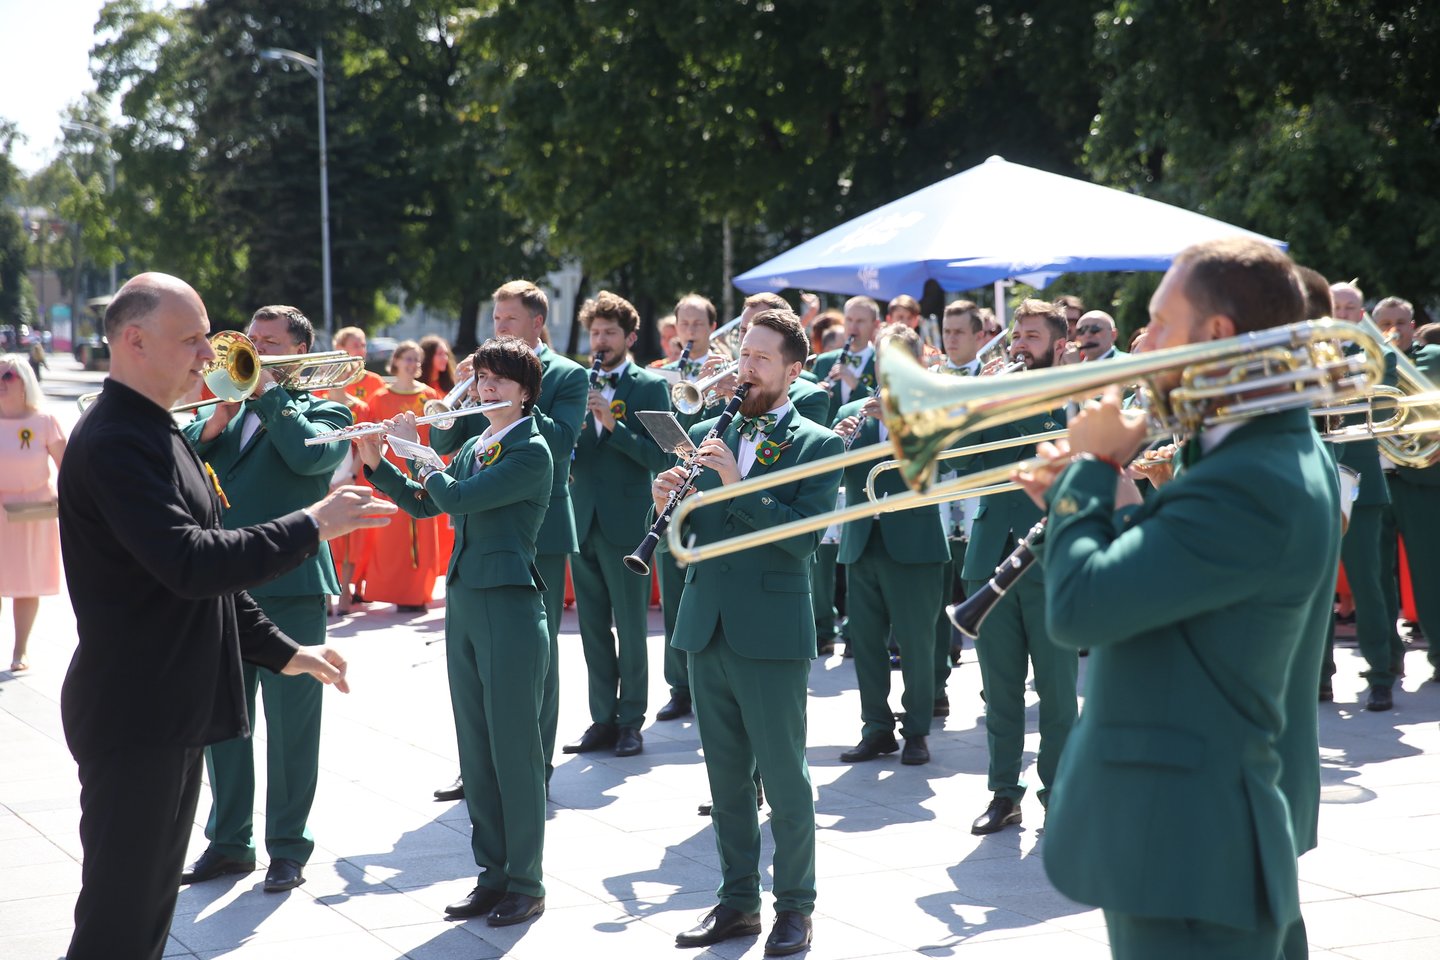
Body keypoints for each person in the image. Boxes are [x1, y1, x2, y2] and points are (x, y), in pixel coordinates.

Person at [58, 273, 393, 960]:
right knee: (117, 926)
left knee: (145, 917)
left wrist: (286, 650)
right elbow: (190, 562)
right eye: (191, 339)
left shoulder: (155, 428)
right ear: (134, 340)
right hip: (136, 713)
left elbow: (207, 585)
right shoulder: (121, 438)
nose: (208, 355)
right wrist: (312, 523)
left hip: (167, 707)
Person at [1021, 238, 1340, 959]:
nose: (1144, 345)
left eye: (1162, 323)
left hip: (1190, 840)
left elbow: (1080, 610)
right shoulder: (1259, 449)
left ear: (1219, 335)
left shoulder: (1256, 472)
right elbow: (1197, 579)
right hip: (1191, 827)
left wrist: (1093, 475)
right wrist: (1090, 502)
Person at [657, 308, 842, 957]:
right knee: (726, 780)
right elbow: (699, 539)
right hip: (707, 626)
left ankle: (796, 906)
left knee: (785, 779)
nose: (747, 370)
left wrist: (739, 484)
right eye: (745, 357)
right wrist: (669, 507)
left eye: (762, 360)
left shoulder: (820, 443)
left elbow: (798, 541)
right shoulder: (710, 430)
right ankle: (737, 901)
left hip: (771, 630)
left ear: (794, 370)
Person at [358, 337, 552, 928]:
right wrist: (378, 463)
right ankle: (492, 874)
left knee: (514, 750)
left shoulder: (532, 450)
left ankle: (527, 880)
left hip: (511, 606)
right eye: (482, 377)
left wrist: (416, 451)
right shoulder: (475, 444)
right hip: (468, 601)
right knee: (476, 747)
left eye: (500, 380)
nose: (486, 387)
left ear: (525, 392)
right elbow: (426, 505)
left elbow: (458, 495)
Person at [178, 305, 353, 893]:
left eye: (269, 344)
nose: (253, 352)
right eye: (251, 342)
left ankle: (287, 846)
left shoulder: (328, 409)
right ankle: (228, 843)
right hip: (224, 583)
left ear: (299, 354)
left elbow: (312, 457)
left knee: (293, 727)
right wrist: (219, 415)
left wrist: (272, 394)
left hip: (294, 585)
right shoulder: (222, 408)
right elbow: (178, 459)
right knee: (224, 722)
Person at [430, 279, 588, 800]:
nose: (498, 327)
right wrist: (467, 396)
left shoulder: (567, 375)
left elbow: (559, 442)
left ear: (537, 324)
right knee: (480, 666)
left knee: (534, 657)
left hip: (534, 522)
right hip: (483, 521)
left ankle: (533, 763)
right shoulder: (484, 380)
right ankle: (481, 765)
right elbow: (449, 441)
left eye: (508, 320)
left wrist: (507, 400)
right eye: (495, 319)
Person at [960, 298, 1076, 835]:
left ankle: (1061, 794)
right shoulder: (994, 392)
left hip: (1051, 557)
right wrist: (977, 406)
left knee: (1056, 692)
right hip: (990, 556)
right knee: (998, 690)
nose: (1019, 345)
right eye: (1017, 335)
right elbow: (963, 462)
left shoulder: (1075, 393)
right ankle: (1004, 793)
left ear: (1057, 342)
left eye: (1031, 336)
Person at [832, 326, 948, 765]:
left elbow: (932, 466)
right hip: (863, 540)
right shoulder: (853, 408)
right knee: (865, 642)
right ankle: (876, 729)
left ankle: (917, 730)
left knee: (917, 643)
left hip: (913, 543)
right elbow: (835, 474)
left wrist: (895, 422)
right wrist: (836, 445)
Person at [563, 291, 671, 758]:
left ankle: (631, 721)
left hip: (626, 521)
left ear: (630, 337)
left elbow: (664, 454)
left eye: (610, 333)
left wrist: (613, 426)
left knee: (630, 625)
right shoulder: (574, 382)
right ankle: (601, 718)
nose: (600, 341)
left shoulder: (649, 386)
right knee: (590, 627)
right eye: (594, 333)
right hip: (580, 516)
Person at [365, 341, 443, 612]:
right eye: (407, 359)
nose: (412, 364)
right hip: (391, 473)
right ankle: (397, 592)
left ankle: (419, 593)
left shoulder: (429, 395)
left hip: (421, 469)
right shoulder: (380, 397)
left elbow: (437, 434)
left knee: (423, 533)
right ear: (396, 361)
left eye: (416, 359)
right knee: (392, 538)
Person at [0, 354, 65, 673]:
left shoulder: (43, 422)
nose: (1, 383)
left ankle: (20, 650)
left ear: (25, 381)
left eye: (7, 376)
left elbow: (68, 468)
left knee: (26, 582)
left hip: (32, 512)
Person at [811, 296, 880, 423]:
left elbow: (883, 407)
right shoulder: (824, 361)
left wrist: (855, 385)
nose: (853, 327)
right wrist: (816, 393)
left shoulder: (881, 363)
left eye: (860, 321)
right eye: (849, 320)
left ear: (875, 325)